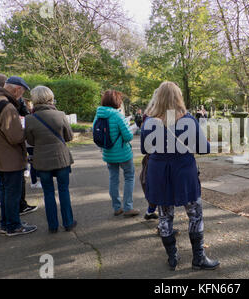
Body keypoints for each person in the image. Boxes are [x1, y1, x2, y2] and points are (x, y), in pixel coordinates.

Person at [141, 81, 219, 271]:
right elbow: (203, 149)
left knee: (165, 216)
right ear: (178, 97)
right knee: (195, 215)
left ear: (158, 97)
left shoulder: (149, 121)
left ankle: (172, 257)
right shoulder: (188, 120)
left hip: (159, 172)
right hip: (183, 172)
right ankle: (198, 259)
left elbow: (145, 148)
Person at [0, 76, 37, 236]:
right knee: (12, 193)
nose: (21, 97)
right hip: (10, 157)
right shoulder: (7, 106)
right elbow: (16, 137)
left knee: (4, 191)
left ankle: (6, 223)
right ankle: (13, 226)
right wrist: (26, 130)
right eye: (22, 93)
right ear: (17, 90)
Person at [25, 86, 76, 233]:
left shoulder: (30, 118)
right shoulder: (60, 115)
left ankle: (52, 226)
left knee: (48, 193)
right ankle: (68, 222)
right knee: (63, 190)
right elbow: (69, 137)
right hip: (61, 158)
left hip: (41, 160)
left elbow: (31, 141)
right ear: (50, 97)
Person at [93, 90, 139, 217]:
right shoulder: (118, 116)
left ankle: (117, 207)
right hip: (123, 153)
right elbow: (128, 136)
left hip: (108, 153)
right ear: (117, 102)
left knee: (113, 179)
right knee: (129, 177)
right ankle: (128, 207)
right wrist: (131, 128)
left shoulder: (98, 115)